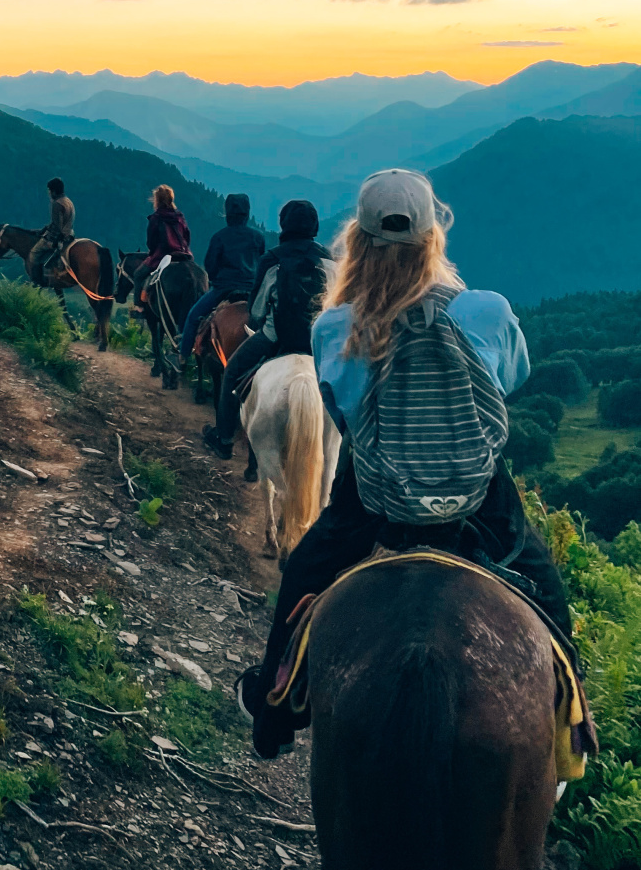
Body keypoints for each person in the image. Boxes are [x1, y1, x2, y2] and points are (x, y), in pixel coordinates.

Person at [234, 168, 572, 760]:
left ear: (357, 243)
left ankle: (273, 710)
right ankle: (570, 729)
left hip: (378, 500)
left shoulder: (336, 326)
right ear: (432, 239)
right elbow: (512, 380)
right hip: (475, 496)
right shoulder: (486, 312)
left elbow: (341, 412)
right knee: (546, 589)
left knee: (306, 567)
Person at [204, 199, 331, 458]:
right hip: (321, 344)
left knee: (232, 372)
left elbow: (257, 311)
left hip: (275, 339)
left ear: (284, 225)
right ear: (315, 226)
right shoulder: (330, 260)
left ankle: (224, 440)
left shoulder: (273, 259)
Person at [179, 193, 266, 362]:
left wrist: (216, 281)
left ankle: (183, 356)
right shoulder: (258, 237)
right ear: (247, 213)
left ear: (227, 213)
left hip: (224, 288)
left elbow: (210, 264)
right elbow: (262, 264)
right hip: (252, 291)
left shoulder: (220, 236)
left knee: (193, 316)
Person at [131, 184, 192, 308]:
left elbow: (151, 242)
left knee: (138, 275)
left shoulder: (156, 218)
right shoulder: (179, 217)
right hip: (183, 255)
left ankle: (139, 308)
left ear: (157, 200)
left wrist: (152, 253)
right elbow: (187, 236)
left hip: (162, 256)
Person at [34, 176, 75, 283]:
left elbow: (57, 226)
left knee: (34, 253)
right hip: (70, 234)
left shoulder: (57, 204)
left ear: (54, 191)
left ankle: (38, 281)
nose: (49, 193)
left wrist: (47, 236)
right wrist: (45, 228)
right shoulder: (68, 201)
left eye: (49, 190)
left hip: (60, 237)